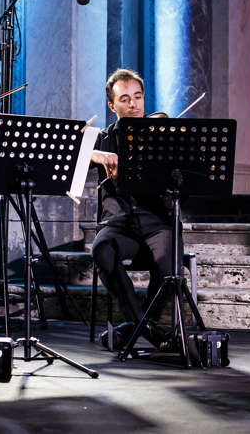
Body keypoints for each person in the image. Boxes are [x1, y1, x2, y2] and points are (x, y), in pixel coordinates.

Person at [90, 68, 177, 349]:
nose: (133, 105)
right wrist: (98, 154)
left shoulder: (162, 138)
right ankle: (147, 327)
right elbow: (71, 151)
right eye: (125, 99)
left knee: (168, 266)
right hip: (119, 224)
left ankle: (137, 326)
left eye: (137, 97)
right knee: (101, 250)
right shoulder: (104, 139)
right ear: (112, 105)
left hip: (156, 221)